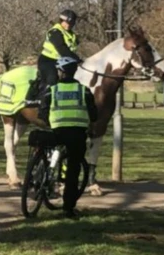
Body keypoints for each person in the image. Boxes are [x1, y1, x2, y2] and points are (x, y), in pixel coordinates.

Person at [38, 56, 98, 219]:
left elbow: (42, 112)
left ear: (61, 72)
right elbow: (94, 114)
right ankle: (68, 207)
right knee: (73, 169)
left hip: (57, 131)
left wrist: (48, 122)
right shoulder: (84, 90)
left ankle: (42, 175)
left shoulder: (52, 90)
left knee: (46, 150)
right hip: (77, 134)